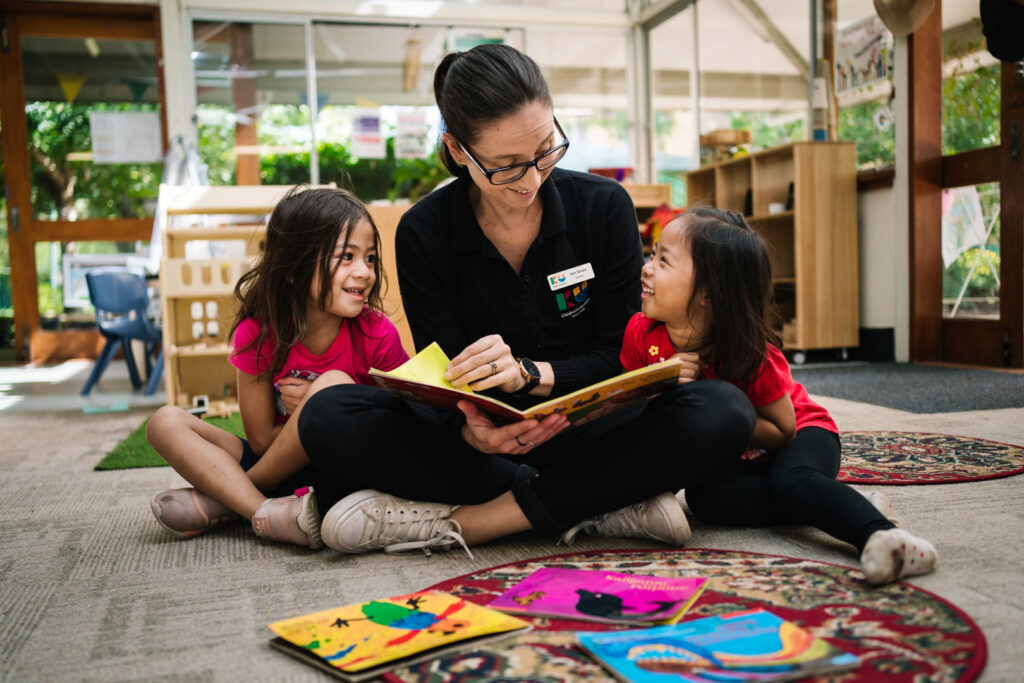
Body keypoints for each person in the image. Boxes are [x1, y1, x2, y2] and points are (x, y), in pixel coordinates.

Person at [283, 44, 756, 556]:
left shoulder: (603, 208)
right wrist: (474, 433)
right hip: (484, 445)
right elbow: (448, 380)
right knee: (327, 413)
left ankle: (484, 519)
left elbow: (616, 357)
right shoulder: (424, 231)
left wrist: (531, 374)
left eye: (545, 150)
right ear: (460, 151)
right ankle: (601, 499)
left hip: (594, 428)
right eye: (507, 166)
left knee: (724, 409)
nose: (532, 179)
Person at [619, 206, 938, 585]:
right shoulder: (641, 334)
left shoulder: (750, 353)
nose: (646, 267)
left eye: (664, 261)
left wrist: (713, 405)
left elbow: (782, 429)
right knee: (707, 501)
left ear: (707, 293)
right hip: (739, 453)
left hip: (801, 432)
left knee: (793, 483)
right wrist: (664, 386)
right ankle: (836, 503)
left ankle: (882, 535)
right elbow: (634, 410)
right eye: (652, 254)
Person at [146, 187, 409, 548]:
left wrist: (326, 404)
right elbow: (260, 439)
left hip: (341, 466)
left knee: (333, 384)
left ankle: (230, 498)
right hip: (271, 458)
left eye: (370, 258)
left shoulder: (377, 332)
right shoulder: (258, 333)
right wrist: (307, 415)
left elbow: (407, 418)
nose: (365, 272)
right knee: (165, 422)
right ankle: (265, 511)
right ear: (292, 267)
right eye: (347, 257)